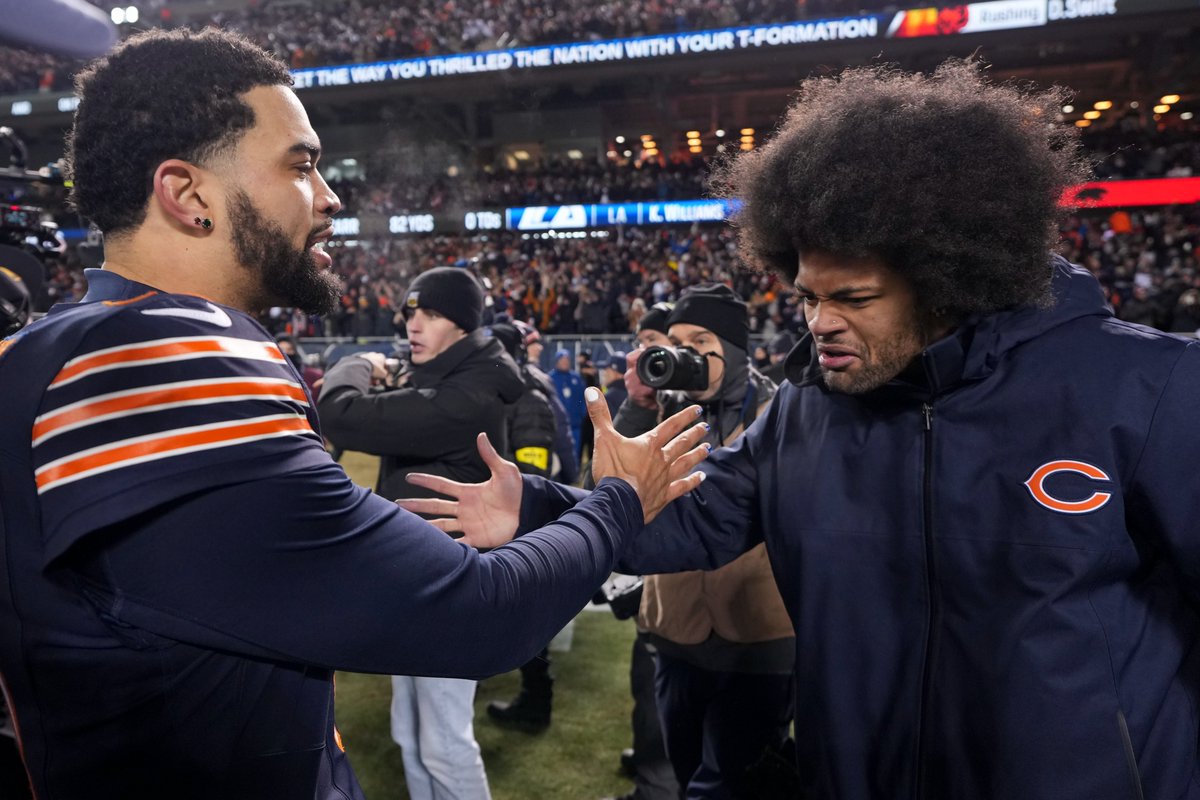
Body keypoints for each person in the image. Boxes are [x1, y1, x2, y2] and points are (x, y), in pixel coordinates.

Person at [401, 60, 1200, 799]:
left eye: (852, 298)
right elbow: (693, 516)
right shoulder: (803, 408)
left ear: (950, 278)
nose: (819, 323)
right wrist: (537, 508)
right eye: (808, 296)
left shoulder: (1147, 389)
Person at [0, 29, 709, 799]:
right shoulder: (173, 363)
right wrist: (620, 501)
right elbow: (481, 615)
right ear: (189, 194)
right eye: (301, 168)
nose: (330, 196)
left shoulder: (41, 349)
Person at [317, 266, 525, 800]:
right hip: (419, 579)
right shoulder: (447, 375)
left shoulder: (471, 393)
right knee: (410, 734)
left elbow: (339, 413)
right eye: (411, 312)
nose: (414, 324)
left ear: (462, 325)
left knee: (444, 741)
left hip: (451, 586)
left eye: (430, 314)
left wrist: (357, 362)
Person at [612, 285, 794, 799]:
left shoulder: (782, 412)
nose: (683, 353)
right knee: (686, 769)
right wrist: (637, 407)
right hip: (675, 630)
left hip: (760, 636)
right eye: (674, 341)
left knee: (737, 785)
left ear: (734, 349)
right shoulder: (660, 417)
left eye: (700, 340)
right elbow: (604, 497)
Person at [550, 347, 587, 461]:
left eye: (567, 360)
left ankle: (574, 475)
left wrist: (583, 414)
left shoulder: (576, 377)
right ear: (557, 361)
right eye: (562, 360)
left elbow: (583, 396)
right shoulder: (550, 378)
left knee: (575, 451)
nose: (565, 362)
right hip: (557, 425)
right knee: (557, 453)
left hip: (575, 424)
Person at [601, 352, 629, 418]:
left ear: (618, 373)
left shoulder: (609, 397)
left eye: (608, 370)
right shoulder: (635, 394)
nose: (604, 374)